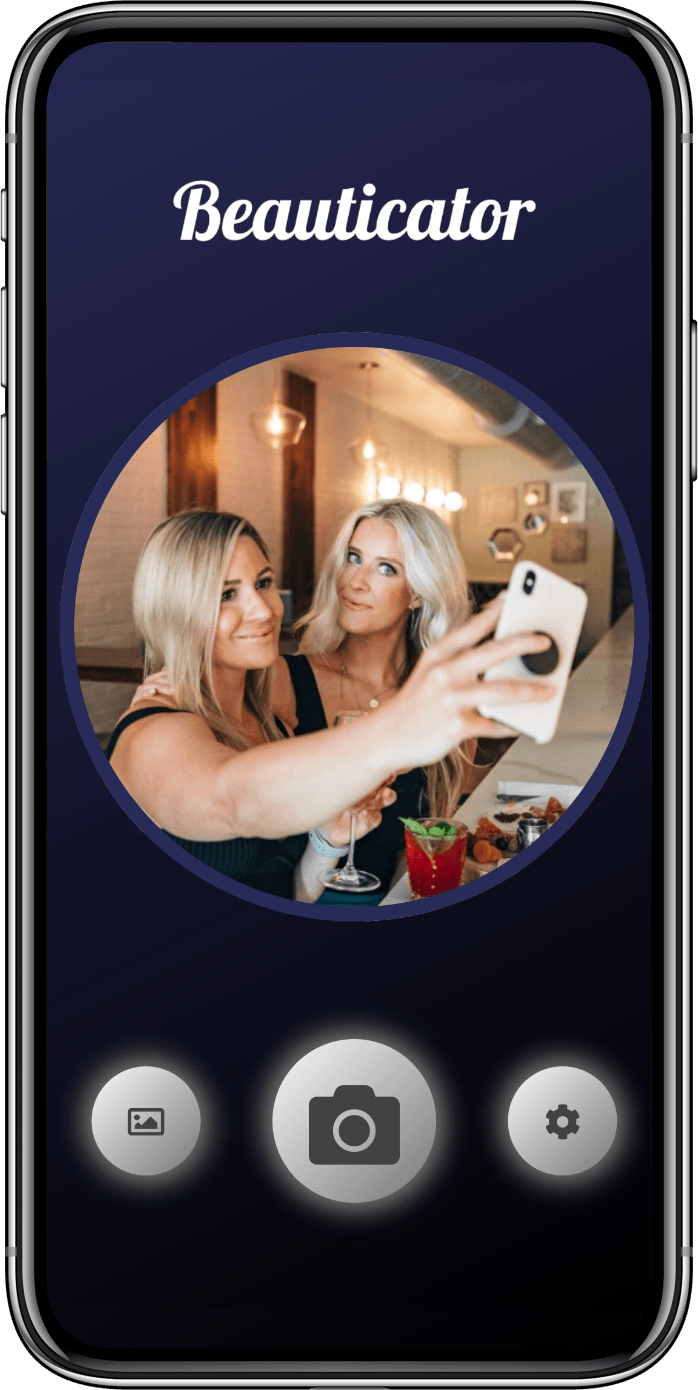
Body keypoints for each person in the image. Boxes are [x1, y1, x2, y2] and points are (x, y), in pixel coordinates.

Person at [119, 508, 555, 903]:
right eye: (225, 594)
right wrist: (393, 732)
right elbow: (232, 801)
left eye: (264, 583)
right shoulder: (155, 732)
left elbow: (286, 888)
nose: (264, 611)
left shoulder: (265, 721)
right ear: (174, 609)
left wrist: (327, 843)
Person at [273, 499, 486, 903]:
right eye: (353, 558)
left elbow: (429, 834)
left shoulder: (444, 699)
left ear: (418, 594)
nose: (355, 581)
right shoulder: (285, 680)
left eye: (385, 568)